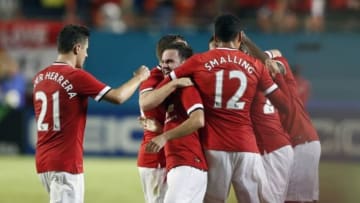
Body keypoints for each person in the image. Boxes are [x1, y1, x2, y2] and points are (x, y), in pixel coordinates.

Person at [147, 13, 291, 202]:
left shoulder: (198, 61)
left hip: (214, 148)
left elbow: (157, 94)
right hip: (247, 148)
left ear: (215, 38)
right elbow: (285, 105)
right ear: (239, 37)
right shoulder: (256, 65)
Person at [32, 24, 150, 203]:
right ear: (77, 48)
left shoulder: (40, 77)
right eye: (86, 49)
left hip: (43, 162)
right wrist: (139, 78)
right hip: (66, 163)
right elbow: (118, 97)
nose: (86, 54)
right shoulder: (76, 76)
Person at [245, 45, 321, 203]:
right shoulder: (276, 83)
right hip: (299, 141)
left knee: (297, 199)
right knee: (295, 198)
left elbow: (277, 54)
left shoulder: (281, 79)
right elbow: (277, 54)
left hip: (301, 141)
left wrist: (250, 53)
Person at [234, 34, 294, 203]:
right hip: (265, 147)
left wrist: (246, 41)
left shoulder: (250, 75)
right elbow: (274, 53)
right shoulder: (261, 69)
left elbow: (275, 54)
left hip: (273, 148)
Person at [144, 42, 208, 203]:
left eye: (170, 62)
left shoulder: (186, 88)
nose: (164, 66)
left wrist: (164, 136)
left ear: (185, 64)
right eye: (163, 62)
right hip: (182, 165)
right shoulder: (174, 90)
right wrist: (159, 129)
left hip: (188, 164)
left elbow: (198, 119)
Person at [137, 34, 189, 203]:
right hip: (156, 158)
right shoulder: (153, 78)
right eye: (180, 50)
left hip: (175, 155)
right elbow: (147, 106)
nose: (185, 53)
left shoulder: (180, 74)